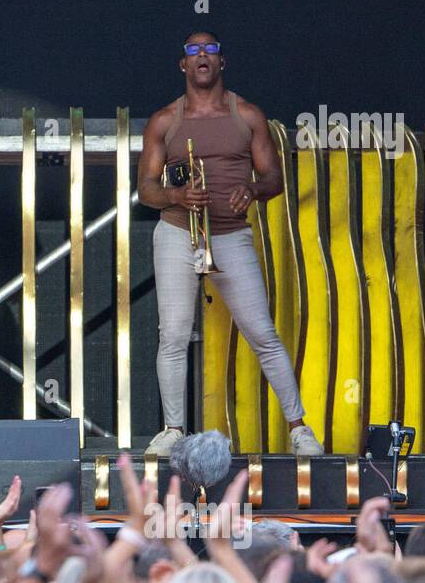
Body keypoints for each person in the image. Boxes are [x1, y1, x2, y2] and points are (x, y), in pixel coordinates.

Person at [137, 32, 323, 457]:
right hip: (178, 232)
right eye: (192, 50)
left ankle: (299, 429)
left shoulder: (249, 115)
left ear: (222, 62)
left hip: (230, 233)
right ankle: (172, 430)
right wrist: (176, 196)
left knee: (262, 332)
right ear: (183, 65)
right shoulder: (165, 120)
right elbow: (146, 188)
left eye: (210, 49)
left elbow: (274, 177)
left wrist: (254, 191)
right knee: (174, 334)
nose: (202, 54)